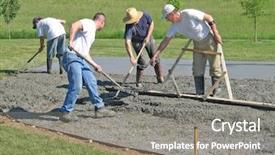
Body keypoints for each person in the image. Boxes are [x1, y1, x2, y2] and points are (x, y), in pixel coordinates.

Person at [150, 4, 223, 96]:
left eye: (167, 17)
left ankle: (216, 91)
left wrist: (216, 33)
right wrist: (155, 55)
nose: (166, 20)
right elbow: (165, 41)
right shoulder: (174, 26)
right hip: (197, 44)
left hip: (209, 40)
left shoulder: (189, 13)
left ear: (172, 14)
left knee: (215, 67)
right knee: (197, 68)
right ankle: (199, 92)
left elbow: (209, 17)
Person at [58, 13, 115, 121]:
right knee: (77, 84)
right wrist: (70, 41)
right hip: (72, 57)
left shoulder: (91, 32)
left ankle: (99, 108)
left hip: (80, 58)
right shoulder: (89, 23)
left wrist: (95, 65)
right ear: (102, 22)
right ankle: (65, 112)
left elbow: (84, 53)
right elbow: (74, 25)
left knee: (91, 81)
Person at [123, 7, 164, 87]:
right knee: (142, 62)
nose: (133, 23)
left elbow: (151, 23)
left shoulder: (145, 15)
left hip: (148, 37)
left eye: (134, 21)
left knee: (155, 57)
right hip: (136, 41)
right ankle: (139, 82)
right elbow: (127, 42)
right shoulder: (129, 26)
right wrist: (131, 57)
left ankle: (160, 78)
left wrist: (148, 36)